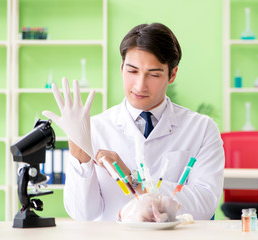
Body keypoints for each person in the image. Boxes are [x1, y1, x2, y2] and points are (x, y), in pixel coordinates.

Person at [43, 23, 225, 221]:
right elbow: (83, 214)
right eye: (132, 71)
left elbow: (205, 204)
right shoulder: (95, 128)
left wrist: (134, 179)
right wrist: (78, 147)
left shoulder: (202, 128)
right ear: (121, 68)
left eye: (154, 74)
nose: (140, 85)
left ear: (172, 74)